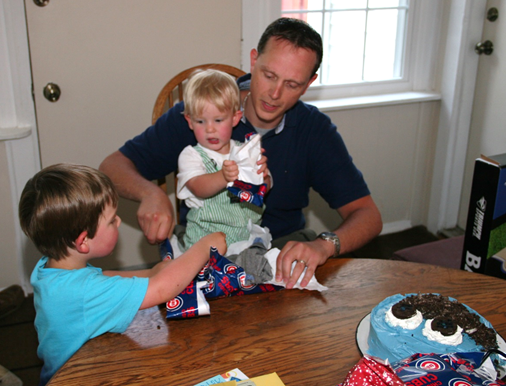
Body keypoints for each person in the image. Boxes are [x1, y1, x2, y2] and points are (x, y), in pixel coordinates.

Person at [99, 17, 382, 290]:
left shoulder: (314, 130)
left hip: (280, 250)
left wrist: (325, 244)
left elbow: (367, 215)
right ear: (253, 60)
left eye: (292, 84)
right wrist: (151, 194)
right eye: (269, 75)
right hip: (205, 249)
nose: (274, 93)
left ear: (309, 83)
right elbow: (112, 166)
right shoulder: (203, 113)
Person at [18, 164, 226, 385]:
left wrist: (153, 271)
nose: (118, 221)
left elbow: (103, 277)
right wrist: (205, 248)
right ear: (83, 241)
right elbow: (161, 289)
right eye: (111, 220)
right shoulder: (84, 292)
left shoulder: (51, 270)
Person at [176, 69, 271, 251]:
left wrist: (262, 176)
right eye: (201, 122)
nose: (210, 129)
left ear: (235, 118)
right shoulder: (191, 155)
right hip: (205, 243)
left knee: (260, 264)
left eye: (218, 120)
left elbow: (263, 190)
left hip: (246, 239)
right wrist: (223, 177)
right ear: (189, 121)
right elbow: (198, 187)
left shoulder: (244, 151)